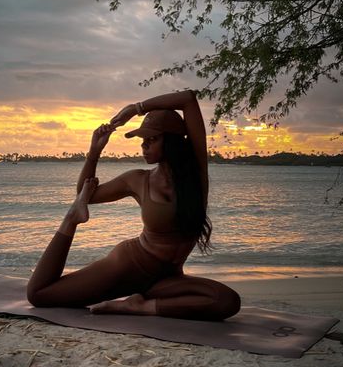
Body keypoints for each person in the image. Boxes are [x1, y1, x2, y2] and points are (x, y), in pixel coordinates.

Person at [27, 90, 240, 319]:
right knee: (39, 295)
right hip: (126, 268)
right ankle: (71, 219)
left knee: (226, 301)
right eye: (142, 141)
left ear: (171, 140)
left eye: (152, 139)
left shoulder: (197, 174)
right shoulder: (138, 179)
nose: (144, 146)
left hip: (166, 279)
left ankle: (139, 306)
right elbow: (85, 194)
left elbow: (188, 99)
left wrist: (135, 108)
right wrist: (94, 153)